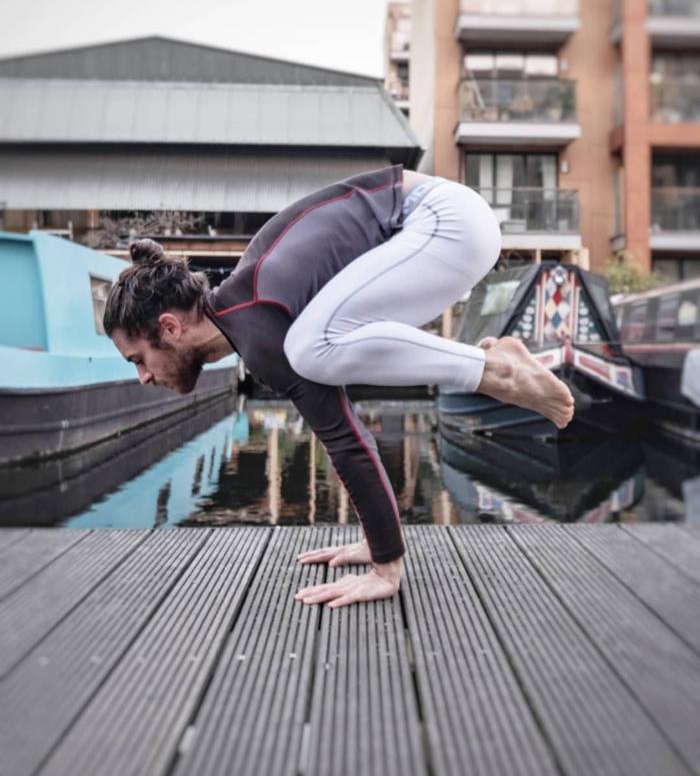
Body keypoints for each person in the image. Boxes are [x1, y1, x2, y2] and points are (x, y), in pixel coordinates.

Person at [103, 164, 574, 609]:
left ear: (168, 328)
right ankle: (492, 364)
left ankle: (495, 370)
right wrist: (375, 543)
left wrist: (386, 570)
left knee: (310, 349)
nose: (143, 377)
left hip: (445, 223)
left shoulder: (261, 328)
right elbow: (350, 435)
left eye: (139, 360)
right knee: (322, 344)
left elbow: (347, 442)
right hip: (450, 230)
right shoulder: (253, 313)